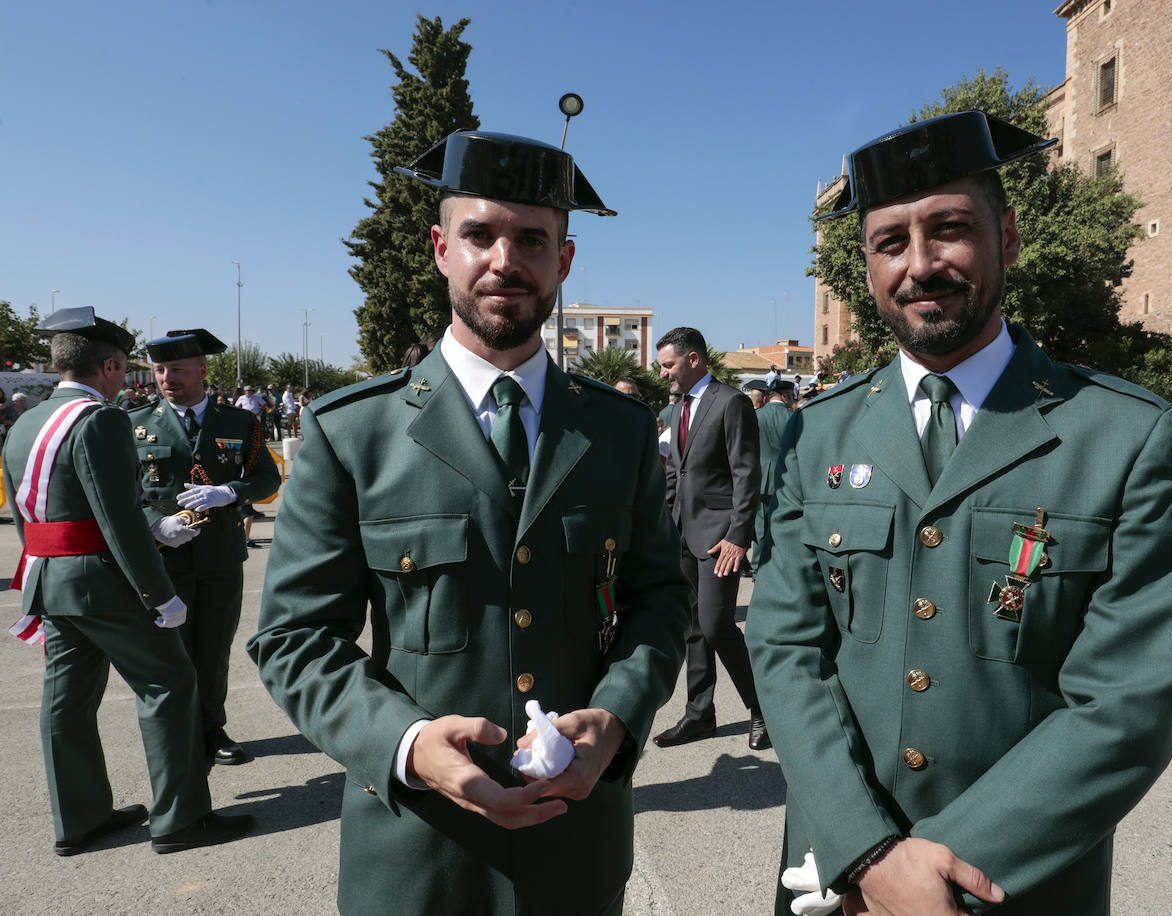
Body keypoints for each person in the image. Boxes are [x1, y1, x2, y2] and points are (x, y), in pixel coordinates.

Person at [746, 111, 1172, 916]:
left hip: (1014, 886)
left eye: (949, 230)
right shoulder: (820, 431)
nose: (919, 265)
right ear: (867, 264)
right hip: (840, 878)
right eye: (890, 243)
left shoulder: (1122, 437)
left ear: (1010, 236)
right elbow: (785, 648)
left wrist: (946, 869)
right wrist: (869, 852)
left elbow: (1125, 707)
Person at [248, 129, 691, 916]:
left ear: (564, 260)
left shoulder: (618, 431)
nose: (504, 260)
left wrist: (618, 717)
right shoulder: (353, 432)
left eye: (531, 239)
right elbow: (293, 639)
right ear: (440, 248)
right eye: (479, 233)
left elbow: (659, 601)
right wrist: (410, 745)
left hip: (576, 847)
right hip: (419, 852)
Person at [2, 307, 252, 856]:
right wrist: (160, 594)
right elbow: (118, 517)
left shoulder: (26, 421)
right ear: (110, 365)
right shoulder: (101, 420)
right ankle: (181, 818)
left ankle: (80, 820)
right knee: (170, 684)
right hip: (104, 582)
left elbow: (25, 515)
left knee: (66, 702)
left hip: (50, 580)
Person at [130, 329, 281, 766]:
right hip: (162, 558)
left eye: (176, 368)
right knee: (169, 651)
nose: (165, 377)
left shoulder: (238, 422)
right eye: (159, 369)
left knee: (213, 650)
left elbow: (268, 479)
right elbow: (117, 496)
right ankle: (179, 734)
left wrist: (230, 492)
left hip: (219, 555)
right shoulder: (134, 423)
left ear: (202, 370)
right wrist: (155, 524)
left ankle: (212, 728)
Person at [653, 326, 766, 751]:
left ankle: (762, 709)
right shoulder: (677, 408)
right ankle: (700, 715)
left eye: (669, 365)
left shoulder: (730, 402)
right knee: (694, 630)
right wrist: (663, 525)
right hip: (681, 532)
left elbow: (746, 472)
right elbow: (674, 473)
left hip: (720, 538)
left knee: (719, 626)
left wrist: (739, 535)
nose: (663, 374)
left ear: (694, 359)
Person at [752, 379, 792, 547]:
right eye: (791, 396)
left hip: (759, 476)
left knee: (760, 526)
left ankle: (758, 567)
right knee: (783, 525)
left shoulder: (755, 415)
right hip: (786, 478)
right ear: (784, 396)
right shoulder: (795, 416)